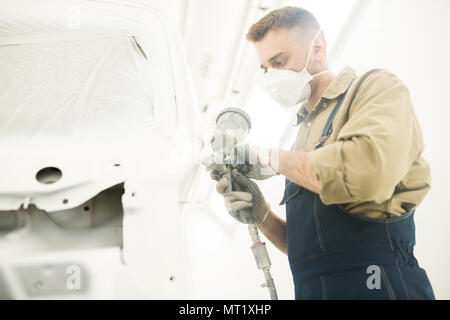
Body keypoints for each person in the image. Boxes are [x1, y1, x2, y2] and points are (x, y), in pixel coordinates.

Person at [206, 6, 435, 300]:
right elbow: (312, 250)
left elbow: (366, 176)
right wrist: (262, 215)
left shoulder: (374, 88)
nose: (271, 77)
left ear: (317, 48)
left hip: (378, 283)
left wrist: (271, 158)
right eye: (265, 68)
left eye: (279, 61)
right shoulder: (302, 137)